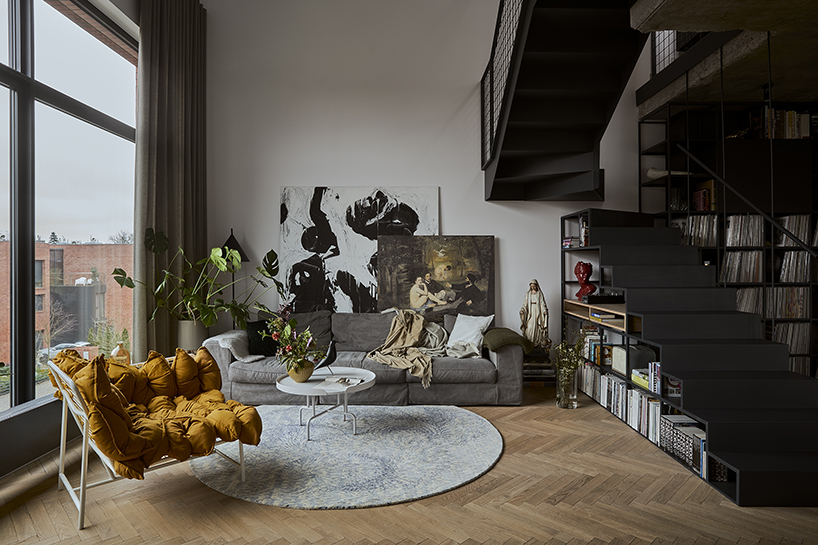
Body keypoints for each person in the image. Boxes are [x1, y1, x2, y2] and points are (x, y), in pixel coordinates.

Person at [520, 279, 551, 351]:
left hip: (537, 313)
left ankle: (537, 343)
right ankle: (530, 343)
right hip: (530, 314)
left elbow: (542, 303)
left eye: (534, 286)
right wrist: (522, 310)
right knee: (529, 327)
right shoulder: (528, 294)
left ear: (537, 286)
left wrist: (544, 310)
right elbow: (525, 304)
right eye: (532, 286)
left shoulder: (539, 294)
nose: (533, 288)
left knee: (537, 328)